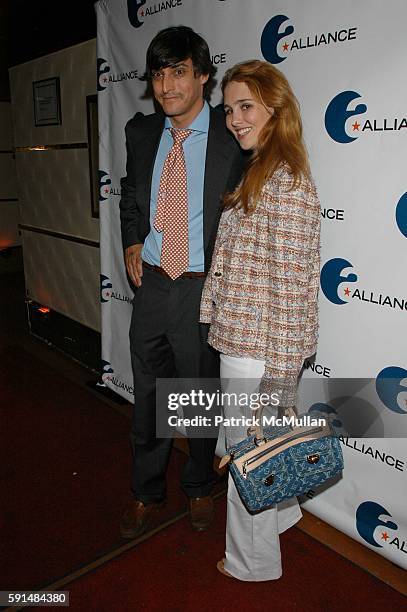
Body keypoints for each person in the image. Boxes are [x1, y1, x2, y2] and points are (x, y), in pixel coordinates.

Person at [119, 26, 245, 538]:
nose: (167, 85)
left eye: (178, 72)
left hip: (201, 289)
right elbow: (130, 193)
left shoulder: (233, 135)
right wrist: (132, 238)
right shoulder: (142, 133)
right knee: (149, 399)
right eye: (158, 73)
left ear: (203, 76)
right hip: (152, 284)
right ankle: (146, 493)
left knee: (194, 399)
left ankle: (197, 487)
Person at [200, 60, 321, 581]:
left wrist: (276, 386)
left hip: (259, 352)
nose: (234, 119)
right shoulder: (261, 170)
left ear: (276, 109)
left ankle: (251, 563)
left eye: (245, 106)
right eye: (229, 110)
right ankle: (285, 514)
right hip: (243, 341)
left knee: (246, 454)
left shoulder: (288, 184)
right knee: (257, 448)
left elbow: (294, 295)